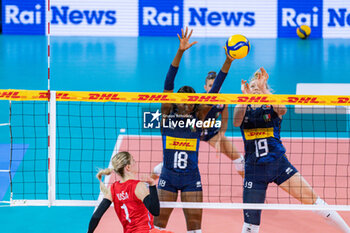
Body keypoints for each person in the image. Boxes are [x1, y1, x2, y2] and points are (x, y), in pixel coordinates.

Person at [233, 68, 350, 233]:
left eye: (258, 87)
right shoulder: (244, 111)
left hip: (279, 165)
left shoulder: (272, 107)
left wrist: (264, 89)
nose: (255, 90)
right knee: (251, 223)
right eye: (252, 88)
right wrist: (244, 98)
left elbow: (282, 110)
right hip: (254, 170)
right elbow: (236, 121)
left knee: (316, 203)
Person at [153, 27, 235, 233]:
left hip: (191, 179)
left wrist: (228, 61)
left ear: (194, 104)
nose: (186, 104)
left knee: (195, 227)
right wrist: (180, 51)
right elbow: (168, 82)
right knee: (158, 226)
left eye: (190, 101)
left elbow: (215, 88)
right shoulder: (166, 116)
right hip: (167, 178)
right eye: (182, 100)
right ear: (175, 102)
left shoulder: (199, 118)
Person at [87, 151, 165, 233]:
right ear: (128, 167)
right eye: (133, 160)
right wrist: (152, 185)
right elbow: (155, 211)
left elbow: (96, 216)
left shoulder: (113, 188)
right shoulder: (138, 186)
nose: (136, 162)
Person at [201, 71, 244, 176]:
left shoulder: (223, 101)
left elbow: (224, 122)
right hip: (194, 132)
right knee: (180, 160)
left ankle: (247, 186)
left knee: (239, 159)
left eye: (215, 85)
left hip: (211, 132)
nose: (213, 88)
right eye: (210, 86)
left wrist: (219, 138)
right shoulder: (200, 100)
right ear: (205, 88)